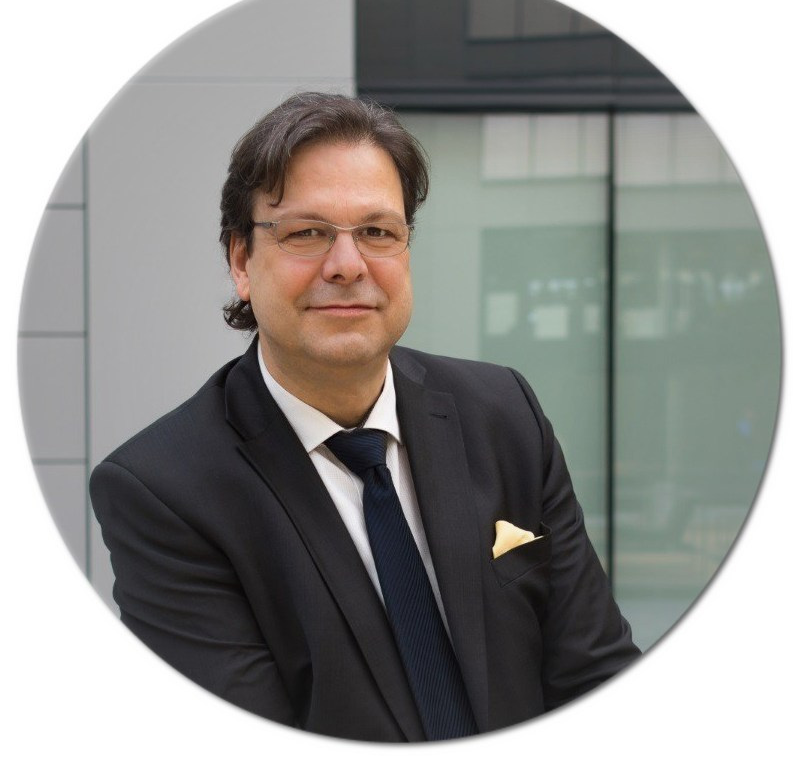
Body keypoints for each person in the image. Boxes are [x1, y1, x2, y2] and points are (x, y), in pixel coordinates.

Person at [90, 91, 640, 742]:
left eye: (377, 232)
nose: (347, 266)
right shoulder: (163, 492)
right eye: (306, 233)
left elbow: (598, 677)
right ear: (241, 261)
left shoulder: (503, 413)